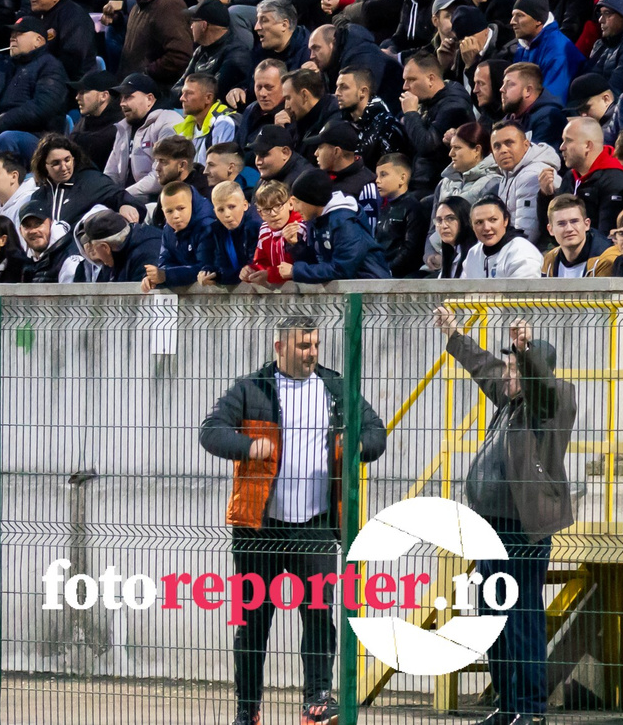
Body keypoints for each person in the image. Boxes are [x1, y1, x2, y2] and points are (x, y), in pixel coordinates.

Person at [196, 312, 391, 725]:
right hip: (258, 528)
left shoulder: (335, 387)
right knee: (253, 622)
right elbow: (210, 430)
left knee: (320, 616)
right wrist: (248, 448)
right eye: (304, 346)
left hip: (316, 524)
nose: (312, 353)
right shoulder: (253, 388)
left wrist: (353, 446)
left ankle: (317, 701)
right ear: (279, 347)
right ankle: (248, 711)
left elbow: (376, 430)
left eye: (316, 345)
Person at [436, 303, 574, 725]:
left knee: (521, 614)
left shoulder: (553, 400)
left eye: (516, 368)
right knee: (492, 615)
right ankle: (508, 706)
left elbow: (541, 385)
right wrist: (455, 335)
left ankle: (530, 711)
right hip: (490, 525)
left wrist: (526, 351)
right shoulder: (509, 397)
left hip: (522, 528)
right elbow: (485, 367)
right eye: (511, 367)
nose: (508, 373)